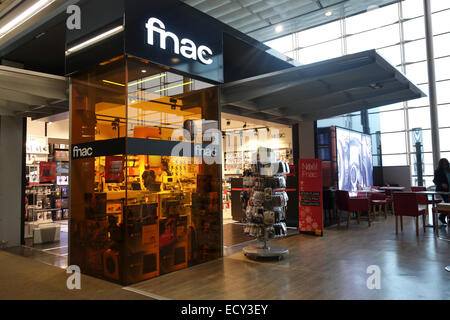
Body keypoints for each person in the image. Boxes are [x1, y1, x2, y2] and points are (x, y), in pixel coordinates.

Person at [433, 158, 450, 224]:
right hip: (442, 190)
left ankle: (443, 216)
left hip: (449, 190)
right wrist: (441, 184)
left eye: (446, 164)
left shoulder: (449, 170)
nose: (445, 165)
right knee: (447, 202)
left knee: (448, 203)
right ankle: (442, 216)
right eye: (444, 164)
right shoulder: (438, 171)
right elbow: (435, 181)